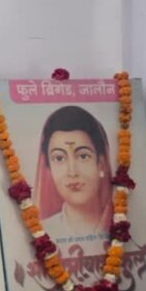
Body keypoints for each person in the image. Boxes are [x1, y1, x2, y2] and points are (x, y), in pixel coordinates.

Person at [34, 104, 112, 244]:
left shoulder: (123, 225)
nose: (72, 172)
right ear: (49, 168)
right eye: (59, 158)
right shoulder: (42, 233)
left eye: (83, 156)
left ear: (101, 164)